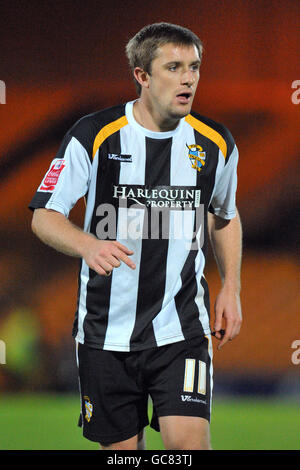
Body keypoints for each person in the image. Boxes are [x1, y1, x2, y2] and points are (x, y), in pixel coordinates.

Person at [29, 22, 242, 450]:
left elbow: (225, 215)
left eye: (195, 67)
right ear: (141, 76)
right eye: (174, 67)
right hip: (106, 333)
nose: (188, 78)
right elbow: (44, 215)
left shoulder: (215, 143)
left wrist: (232, 286)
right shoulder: (94, 135)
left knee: (190, 447)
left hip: (181, 328)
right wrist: (88, 244)